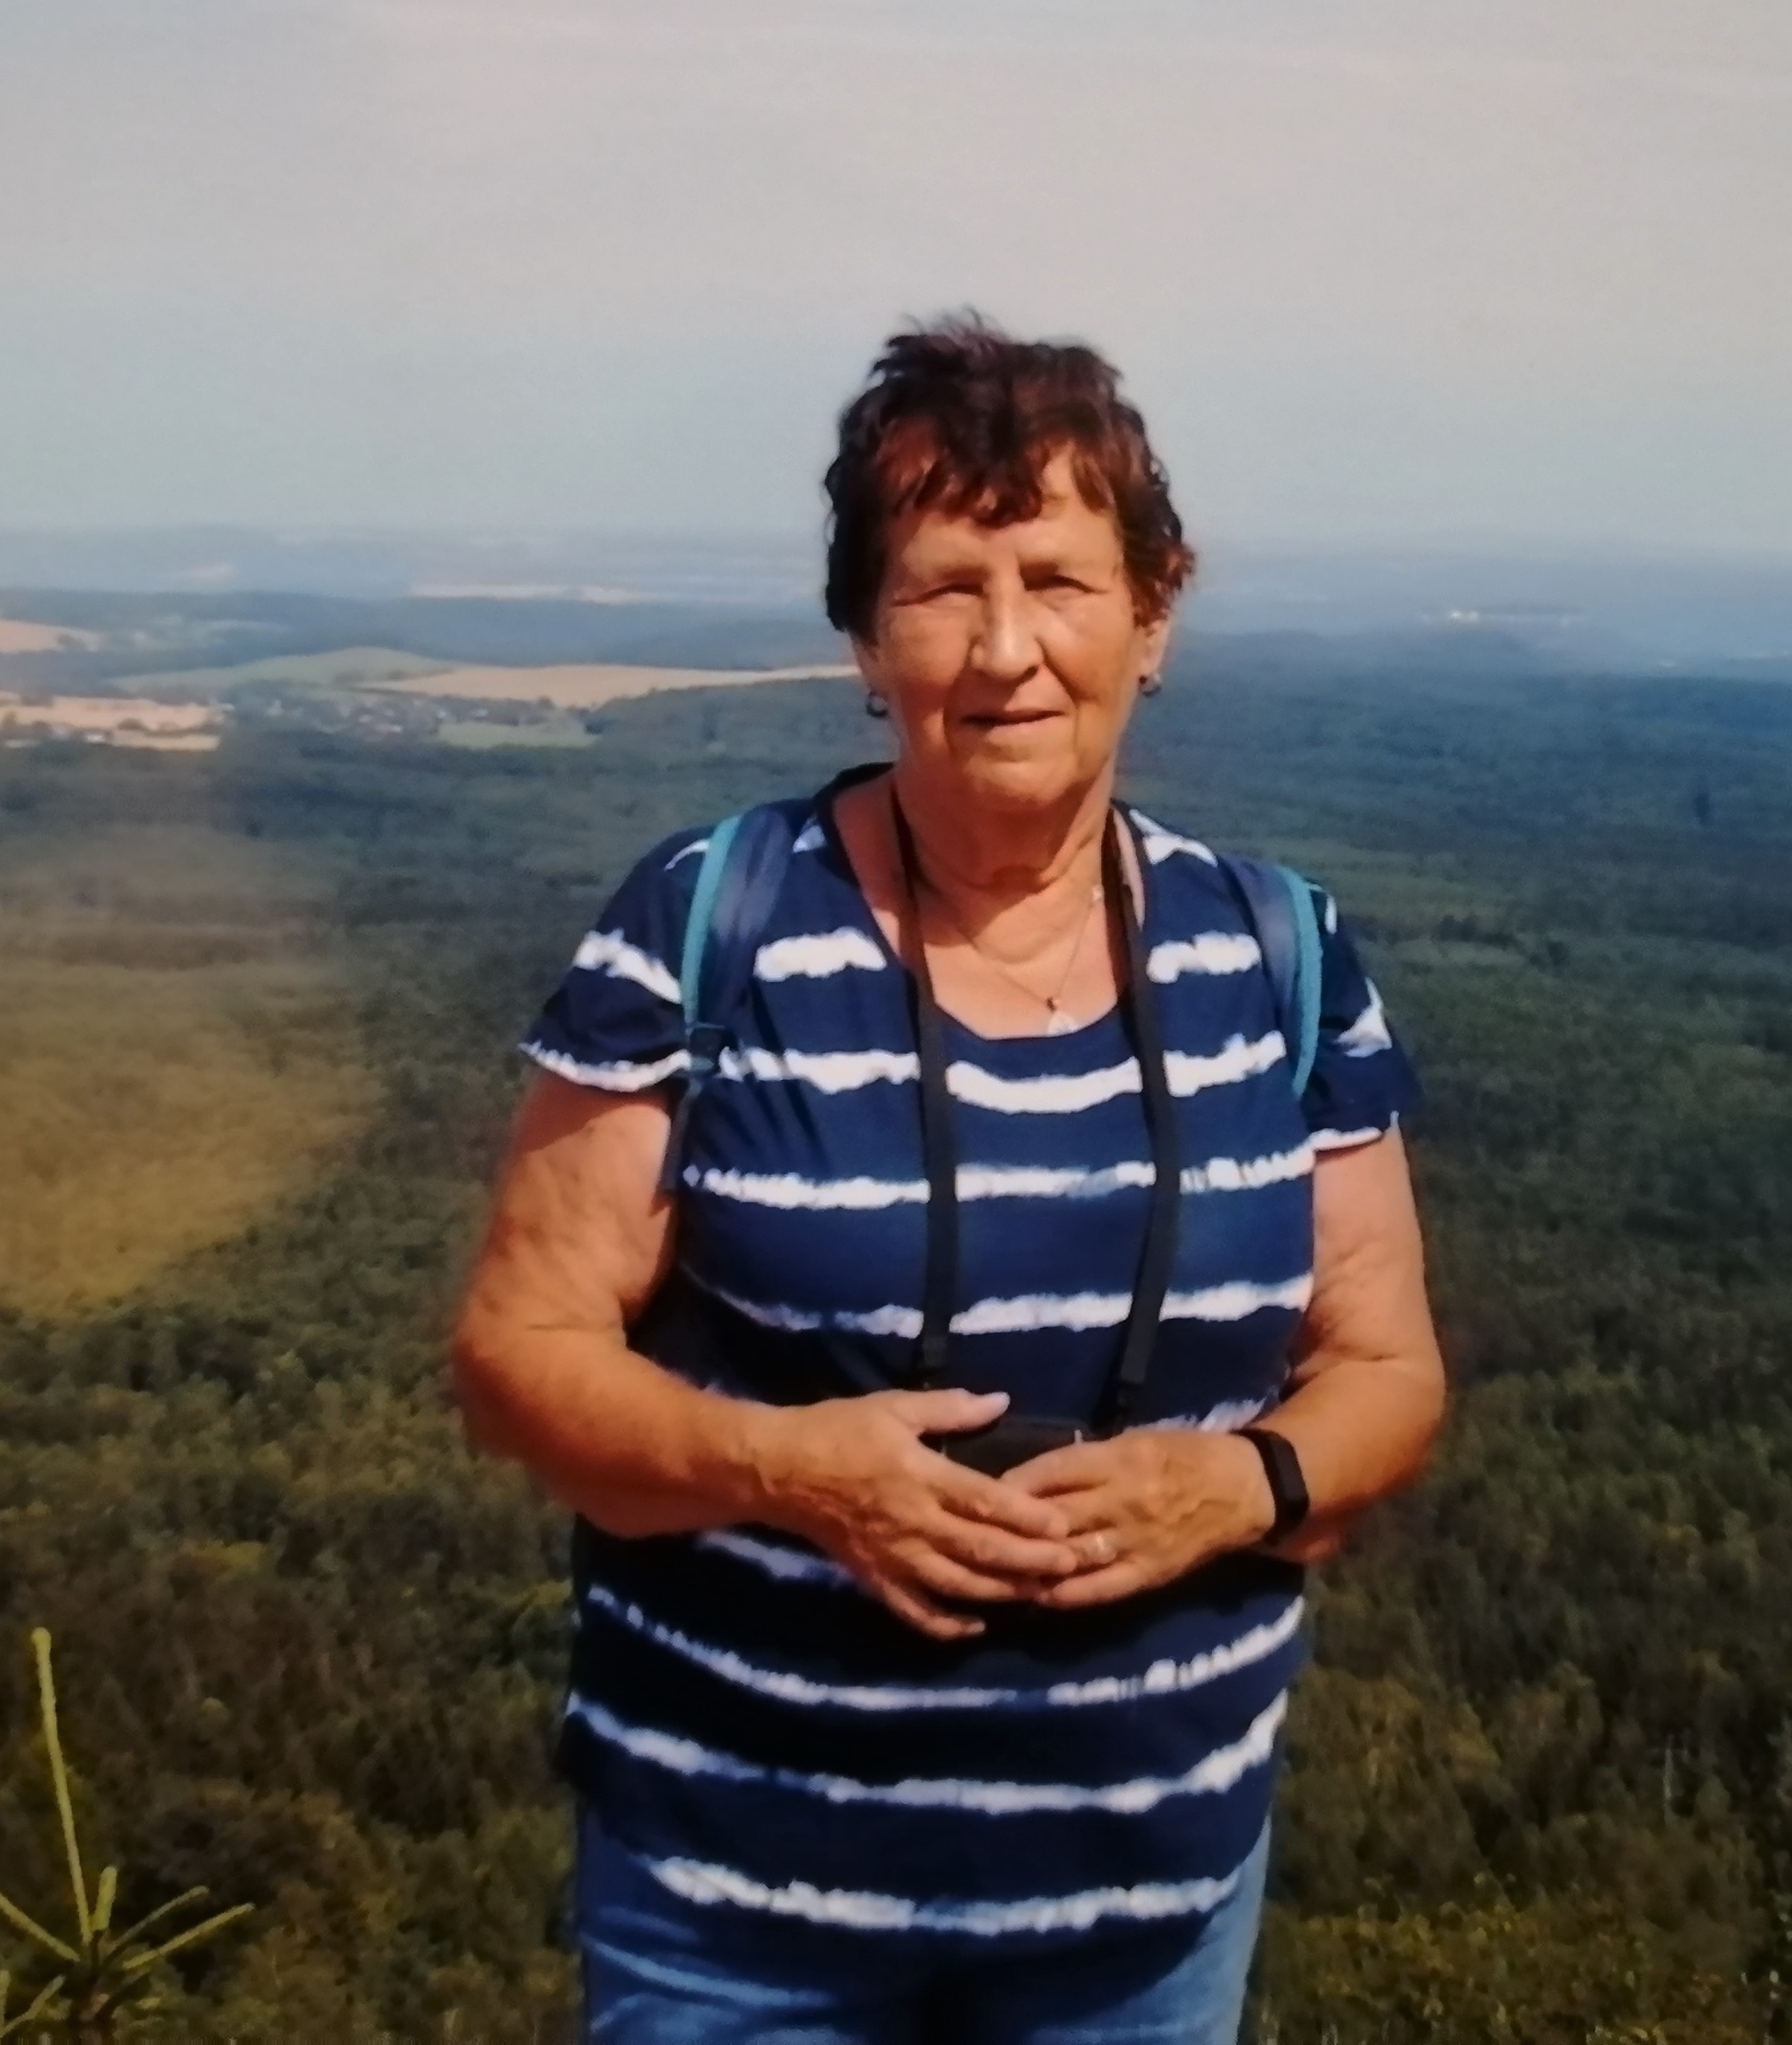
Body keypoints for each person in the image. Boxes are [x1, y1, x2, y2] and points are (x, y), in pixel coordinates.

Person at [451, 315, 1446, 2044]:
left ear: (1153, 615)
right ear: (863, 635)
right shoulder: (707, 924)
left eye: (1059, 581)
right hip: (738, 1925)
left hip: (1140, 1929)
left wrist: (1238, 1486)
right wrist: (784, 1473)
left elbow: (1386, 1369)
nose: (1004, 651)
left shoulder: (1278, 954)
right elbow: (517, 1359)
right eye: (939, 590)